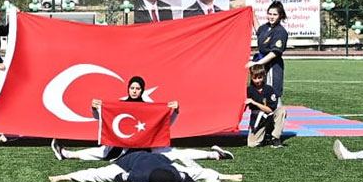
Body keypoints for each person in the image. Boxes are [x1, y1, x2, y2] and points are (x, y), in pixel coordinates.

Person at [51, 75, 232, 161]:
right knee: (102, 153)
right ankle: (66, 154)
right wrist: (95, 109)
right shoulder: (120, 104)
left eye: (138, 89)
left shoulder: (150, 107)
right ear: (128, 89)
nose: (134, 91)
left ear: (142, 90)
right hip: (122, 145)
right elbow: (103, 121)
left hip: (147, 146)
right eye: (132, 88)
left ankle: (214, 154)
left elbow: (165, 126)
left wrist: (174, 112)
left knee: (174, 153)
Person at [48, 150, 241, 182]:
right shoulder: (138, 176)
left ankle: (215, 156)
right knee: (99, 174)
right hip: (131, 160)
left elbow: (195, 174)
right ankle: (64, 176)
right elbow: (117, 177)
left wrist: (227, 176)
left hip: (159, 158)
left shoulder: (175, 173)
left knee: (188, 162)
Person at [247, 1, 288, 101]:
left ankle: (277, 115)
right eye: (269, 14)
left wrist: (256, 63)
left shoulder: (280, 32)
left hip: (272, 66)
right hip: (261, 63)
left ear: (280, 16)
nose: (271, 17)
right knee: (257, 92)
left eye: (275, 14)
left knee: (272, 94)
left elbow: (274, 53)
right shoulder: (266, 27)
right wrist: (252, 14)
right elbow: (259, 31)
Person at [245, 65, 285, 148]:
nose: (257, 81)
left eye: (259, 78)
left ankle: (275, 138)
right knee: (252, 144)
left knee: (281, 110)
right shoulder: (249, 90)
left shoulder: (269, 89)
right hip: (257, 119)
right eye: (254, 78)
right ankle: (265, 137)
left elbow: (270, 110)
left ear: (264, 77)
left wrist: (254, 103)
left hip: (269, 116)